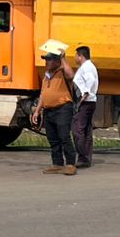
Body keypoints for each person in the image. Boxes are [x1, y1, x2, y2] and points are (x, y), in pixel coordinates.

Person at [31, 40, 77, 176]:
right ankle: (57, 164)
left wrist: (63, 58)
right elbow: (43, 94)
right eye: (46, 59)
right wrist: (37, 111)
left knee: (64, 136)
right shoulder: (46, 76)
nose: (47, 62)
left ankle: (70, 164)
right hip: (49, 110)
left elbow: (71, 75)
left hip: (63, 108)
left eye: (49, 59)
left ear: (57, 61)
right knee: (52, 138)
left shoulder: (62, 72)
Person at [71, 45, 98, 169]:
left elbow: (90, 80)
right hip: (90, 101)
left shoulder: (86, 67)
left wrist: (85, 94)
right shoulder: (88, 66)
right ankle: (86, 158)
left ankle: (83, 157)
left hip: (86, 102)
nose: (75, 58)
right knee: (86, 130)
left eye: (76, 55)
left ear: (80, 56)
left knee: (78, 129)